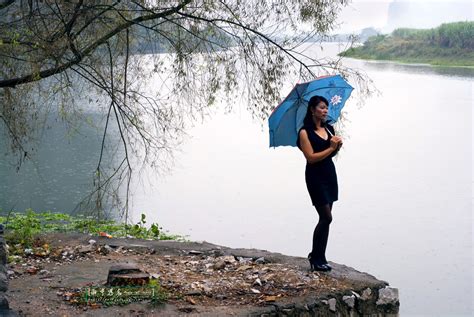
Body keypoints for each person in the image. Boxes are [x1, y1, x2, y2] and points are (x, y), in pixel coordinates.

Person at [296, 95, 343, 272]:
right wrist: (331, 148)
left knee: (326, 218)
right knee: (326, 217)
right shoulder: (304, 132)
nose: (325, 111)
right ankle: (315, 257)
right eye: (322, 107)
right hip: (315, 177)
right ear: (312, 109)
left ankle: (320, 257)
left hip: (329, 175)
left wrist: (336, 146)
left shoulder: (329, 128)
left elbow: (329, 155)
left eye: (326, 107)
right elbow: (311, 158)